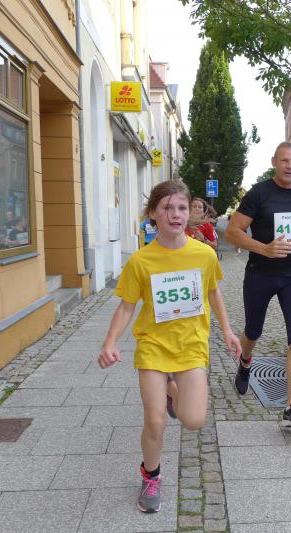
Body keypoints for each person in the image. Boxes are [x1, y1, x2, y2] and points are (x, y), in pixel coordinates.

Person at [98, 180, 241, 513]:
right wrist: (110, 342)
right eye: (166, 208)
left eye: (181, 207)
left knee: (193, 420)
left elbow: (213, 291)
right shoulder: (141, 260)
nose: (175, 214)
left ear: (188, 212)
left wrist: (228, 331)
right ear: (153, 214)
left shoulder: (204, 254)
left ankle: (171, 391)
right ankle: (151, 475)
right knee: (155, 421)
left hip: (191, 346)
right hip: (153, 346)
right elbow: (126, 306)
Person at [225, 141, 291, 429]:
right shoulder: (259, 194)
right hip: (260, 274)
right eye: (284, 161)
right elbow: (232, 231)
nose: (289, 166)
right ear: (274, 162)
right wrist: (264, 249)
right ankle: (245, 361)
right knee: (253, 331)